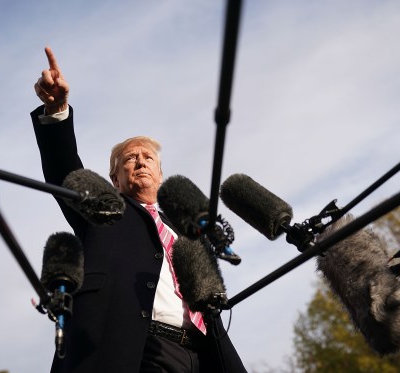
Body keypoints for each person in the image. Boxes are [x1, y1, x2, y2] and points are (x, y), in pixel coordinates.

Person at [31, 46, 247, 373]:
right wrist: (57, 110)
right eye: (130, 158)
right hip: (135, 348)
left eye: (148, 157)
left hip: (205, 355)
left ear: (160, 173)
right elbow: (66, 172)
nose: (141, 161)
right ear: (114, 179)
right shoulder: (104, 210)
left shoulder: (190, 226)